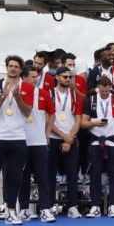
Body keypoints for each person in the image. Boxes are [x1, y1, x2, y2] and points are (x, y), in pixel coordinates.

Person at [0, 55, 32, 226]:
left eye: (16, 66)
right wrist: (3, 97)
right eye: (10, 66)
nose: (13, 69)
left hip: (17, 138)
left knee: (14, 177)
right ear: (6, 67)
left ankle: (11, 211)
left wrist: (17, 97)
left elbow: (27, 113)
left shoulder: (27, 87)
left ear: (20, 69)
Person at [81, 76, 114, 218]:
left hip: (113, 141)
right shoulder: (90, 101)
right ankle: (95, 206)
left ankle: (113, 207)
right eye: (102, 91)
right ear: (98, 88)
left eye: (107, 90)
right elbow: (83, 123)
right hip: (96, 141)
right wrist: (94, 123)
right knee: (95, 175)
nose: (105, 93)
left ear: (111, 87)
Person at [18, 67, 56, 222]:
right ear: (25, 78)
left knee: (43, 177)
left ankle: (45, 209)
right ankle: (24, 209)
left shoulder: (43, 93)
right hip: (22, 141)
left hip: (39, 142)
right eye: (32, 77)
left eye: (37, 77)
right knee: (23, 177)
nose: (35, 79)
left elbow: (52, 113)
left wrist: (47, 133)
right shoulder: (18, 93)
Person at [47, 66, 84, 218]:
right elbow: (47, 119)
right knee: (49, 175)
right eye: (65, 77)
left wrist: (69, 138)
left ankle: (72, 206)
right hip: (54, 138)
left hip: (71, 139)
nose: (68, 79)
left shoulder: (76, 96)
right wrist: (63, 136)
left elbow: (78, 119)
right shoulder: (49, 94)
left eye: (70, 77)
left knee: (72, 174)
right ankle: (48, 206)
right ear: (57, 77)